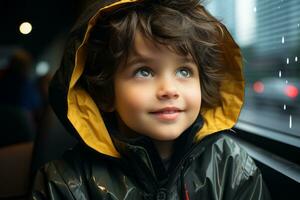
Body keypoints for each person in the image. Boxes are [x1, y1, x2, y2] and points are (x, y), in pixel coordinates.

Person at [31, 0, 271, 199]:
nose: (169, 89)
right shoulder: (67, 183)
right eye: (144, 71)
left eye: (184, 71)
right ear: (106, 94)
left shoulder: (232, 168)